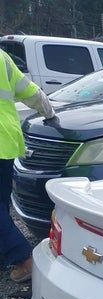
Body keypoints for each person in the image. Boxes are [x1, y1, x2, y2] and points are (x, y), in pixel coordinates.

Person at [1, 49, 56, 283]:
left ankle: (24, 259)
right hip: (6, 141)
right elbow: (30, 91)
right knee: (2, 205)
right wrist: (50, 113)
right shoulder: (2, 57)